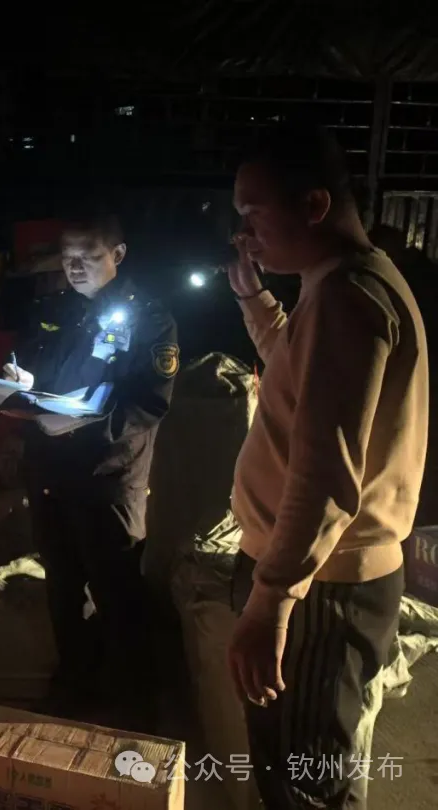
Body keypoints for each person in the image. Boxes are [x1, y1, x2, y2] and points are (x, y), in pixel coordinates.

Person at [226, 126, 428, 809]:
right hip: (314, 578)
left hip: (324, 587)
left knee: (306, 778)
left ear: (314, 205)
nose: (245, 236)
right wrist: (253, 299)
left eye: (253, 215)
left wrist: (270, 603)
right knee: (296, 765)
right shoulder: (338, 285)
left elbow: (325, 477)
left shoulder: (349, 298)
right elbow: (296, 369)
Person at [3, 209, 178, 732]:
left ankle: (133, 706)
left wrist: (83, 425)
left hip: (109, 475)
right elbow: (45, 375)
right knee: (63, 586)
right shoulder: (58, 310)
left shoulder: (150, 320)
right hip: (52, 470)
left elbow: (148, 405)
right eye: (67, 256)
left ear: (117, 255)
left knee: (117, 588)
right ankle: (75, 685)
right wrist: (25, 381)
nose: (75, 266)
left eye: (89, 256)